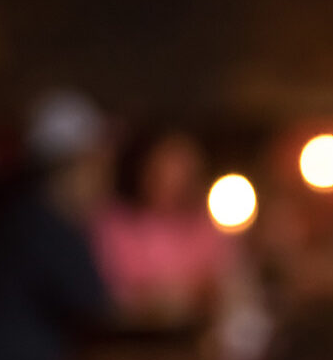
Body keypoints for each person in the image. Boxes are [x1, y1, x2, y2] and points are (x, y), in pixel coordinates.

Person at [0, 90, 111, 360]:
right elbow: (94, 303)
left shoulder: (17, 214)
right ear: (73, 167)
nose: (102, 176)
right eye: (95, 163)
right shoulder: (45, 225)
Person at [93, 129, 234, 325]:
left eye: (181, 171)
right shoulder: (114, 222)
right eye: (163, 169)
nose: (172, 180)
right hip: (129, 337)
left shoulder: (204, 223)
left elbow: (222, 282)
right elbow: (110, 293)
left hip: (192, 336)